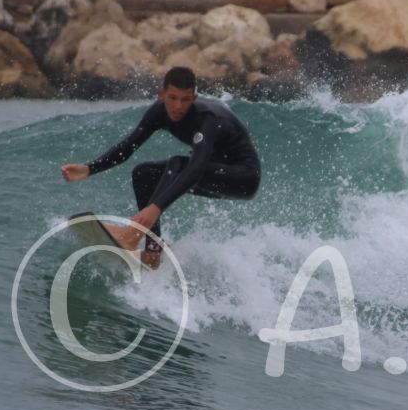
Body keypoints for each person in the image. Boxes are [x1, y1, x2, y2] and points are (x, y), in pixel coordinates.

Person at [61, 67, 261, 268]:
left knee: (178, 164)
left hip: (244, 178)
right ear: (162, 94)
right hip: (211, 169)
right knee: (144, 173)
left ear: (193, 98)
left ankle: (132, 235)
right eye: (173, 98)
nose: (178, 106)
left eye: (185, 99)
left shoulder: (207, 118)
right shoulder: (159, 111)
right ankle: (152, 251)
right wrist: (90, 168)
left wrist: (156, 208)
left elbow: (196, 169)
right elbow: (129, 146)